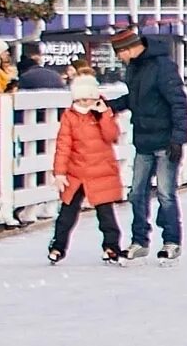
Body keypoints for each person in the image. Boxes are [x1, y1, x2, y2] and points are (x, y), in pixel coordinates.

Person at [111, 22, 187, 262]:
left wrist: (178, 138)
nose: (120, 59)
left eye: (120, 54)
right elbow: (135, 99)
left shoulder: (163, 67)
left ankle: (171, 241)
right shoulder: (134, 69)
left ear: (128, 49)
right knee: (137, 192)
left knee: (166, 193)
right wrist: (110, 106)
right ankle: (139, 240)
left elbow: (178, 102)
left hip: (166, 141)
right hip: (143, 140)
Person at [46, 70, 127, 264]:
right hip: (76, 173)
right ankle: (58, 247)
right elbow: (63, 145)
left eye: (88, 100)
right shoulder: (69, 116)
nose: (84, 104)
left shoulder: (102, 114)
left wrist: (104, 114)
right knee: (67, 213)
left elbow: (112, 136)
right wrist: (59, 173)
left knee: (105, 213)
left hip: (100, 171)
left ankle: (111, 246)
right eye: (80, 100)